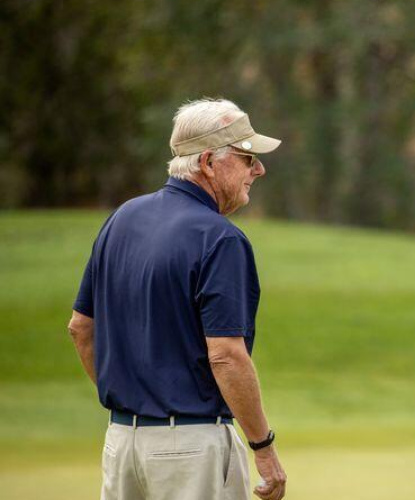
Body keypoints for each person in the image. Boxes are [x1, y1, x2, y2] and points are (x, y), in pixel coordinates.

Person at [67, 98, 287, 500]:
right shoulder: (220, 238)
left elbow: (81, 329)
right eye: (246, 157)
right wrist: (264, 447)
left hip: (121, 443)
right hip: (191, 450)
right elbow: (226, 356)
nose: (258, 169)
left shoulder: (122, 219)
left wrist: (138, 402)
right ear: (207, 162)